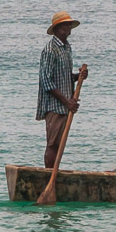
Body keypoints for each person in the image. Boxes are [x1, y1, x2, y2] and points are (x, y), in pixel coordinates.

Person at [36, 11, 87, 169]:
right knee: (52, 144)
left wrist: (78, 77)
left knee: (59, 144)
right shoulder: (50, 50)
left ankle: (54, 176)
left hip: (65, 105)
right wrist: (67, 102)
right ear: (57, 29)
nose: (68, 29)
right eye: (64, 26)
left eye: (69, 26)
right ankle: (49, 176)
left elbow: (63, 77)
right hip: (54, 106)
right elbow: (46, 81)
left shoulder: (66, 48)